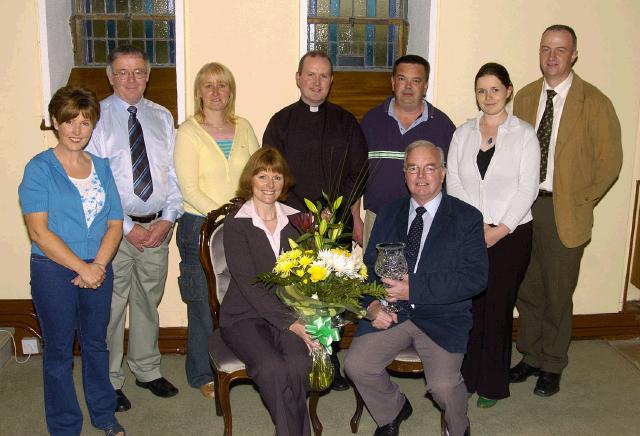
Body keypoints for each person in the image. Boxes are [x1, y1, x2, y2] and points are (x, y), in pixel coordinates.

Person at [345, 141, 488, 436]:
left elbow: (475, 278)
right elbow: (370, 266)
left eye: (429, 168)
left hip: (442, 317)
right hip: (391, 311)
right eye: (413, 168)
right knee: (356, 365)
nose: (421, 176)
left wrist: (415, 289)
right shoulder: (388, 212)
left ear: (443, 173)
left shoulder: (467, 218)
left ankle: (458, 427)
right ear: (404, 174)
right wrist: (371, 306)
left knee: (444, 387)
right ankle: (393, 410)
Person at [509, 24, 622, 397]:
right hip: (525, 209)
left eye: (560, 49)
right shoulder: (525, 97)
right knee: (527, 288)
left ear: (574, 54)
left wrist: (581, 199)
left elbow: (610, 162)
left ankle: (553, 363)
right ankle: (531, 354)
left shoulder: (595, 102)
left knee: (558, 291)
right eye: (545, 49)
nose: (552, 56)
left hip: (564, 211)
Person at [19, 86, 125, 436]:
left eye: (85, 122)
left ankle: (104, 414)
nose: (78, 130)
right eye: (70, 122)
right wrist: (83, 268)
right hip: (53, 270)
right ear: (54, 123)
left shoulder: (103, 167)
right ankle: (65, 427)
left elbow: (114, 223)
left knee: (97, 344)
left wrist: (98, 265)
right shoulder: (39, 169)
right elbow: (39, 232)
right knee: (60, 351)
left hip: (99, 265)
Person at [263, 50, 367, 390]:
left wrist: (335, 210)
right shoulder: (280, 122)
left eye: (324, 76)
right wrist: (302, 212)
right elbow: (272, 173)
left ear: (331, 80)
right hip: (293, 222)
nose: (316, 82)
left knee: (331, 292)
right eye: (310, 75)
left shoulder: (346, 122)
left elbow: (358, 171)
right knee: (296, 292)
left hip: (335, 223)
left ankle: (329, 358)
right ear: (298, 77)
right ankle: (299, 353)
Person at [86, 45, 183, 410]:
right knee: (111, 306)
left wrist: (167, 219)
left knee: (147, 302)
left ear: (148, 75)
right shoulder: (96, 117)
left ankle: (147, 369)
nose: (131, 79)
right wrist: (127, 227)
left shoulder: (161, 117)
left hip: (157, 229)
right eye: (123, 72)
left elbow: (173, 175)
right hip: (114, 229)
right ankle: (109, 380)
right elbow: (95, 181)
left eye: (138, 71)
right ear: (110, 77)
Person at [446, 63, 540, 408]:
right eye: (482, 90)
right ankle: (467, 377)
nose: (488, 97)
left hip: (512, 235)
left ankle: (492, 385)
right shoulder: (462, 133)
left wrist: (499, 230)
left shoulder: (524, 134)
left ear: (509, 91)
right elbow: (453, 182)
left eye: (495, 89)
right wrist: (477, 228)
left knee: (499, 308)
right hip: (470, 234)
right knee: (472, 308)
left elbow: (527, 188)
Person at [174, 62, 259, 399]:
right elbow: (189, 189)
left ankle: (239, 360)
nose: (215, 92)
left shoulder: (244, 127)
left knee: (241, 298)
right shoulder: (187, 132)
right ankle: (200, 373)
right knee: (203, 303)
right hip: (199, 225)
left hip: (243, 224)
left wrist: (247, 215)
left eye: (221, 85)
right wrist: (226, 217)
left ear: (230, 92)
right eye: (208, 85)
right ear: (198, 92)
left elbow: (259, 172)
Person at [220, 147, 319, 436]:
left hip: (289, 310)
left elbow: (309, 275)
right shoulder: (236, 224)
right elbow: (250, 284)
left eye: (276, 177)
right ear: (250, 180)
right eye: (262, 176)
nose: (269, 184)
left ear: (284, 181)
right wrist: (293, 324)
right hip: (243, 315)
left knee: (300, 363)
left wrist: (312, 315)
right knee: (272, 367)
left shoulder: (299, 221)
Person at [359, 54, 456, 248]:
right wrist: (355, 218)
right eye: (402, 79)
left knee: (423, 277)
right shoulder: (371, 121)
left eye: (416, 81)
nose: (408, 87)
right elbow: (356, 175)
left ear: (426, 86)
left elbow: (453, 179)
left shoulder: (443, 126)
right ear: (393, 82)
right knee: (375, 277)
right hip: (378, 220)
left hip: (427, 221)